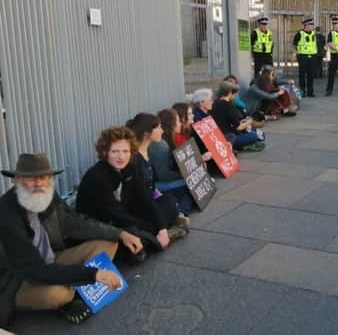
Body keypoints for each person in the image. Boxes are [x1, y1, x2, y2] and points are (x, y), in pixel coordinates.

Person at [0, 153, 143, 326]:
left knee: (108, 244)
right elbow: (35, 269)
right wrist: (93, 274)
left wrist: (120, 233)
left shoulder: (48, 195)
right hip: (19, 279)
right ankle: (73, 290)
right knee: (60, 294)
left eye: (44, 177)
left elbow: (74, 223)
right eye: (31, 179)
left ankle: (75, 284)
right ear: (18, 181)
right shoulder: (6, 213)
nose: (38, 184)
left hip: (52, 259)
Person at [76, 124, 187, 258]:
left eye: (125, 151)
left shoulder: (130, 168)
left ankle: (155, 238)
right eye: (115, 152)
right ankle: (157, 238)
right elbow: (117, 215)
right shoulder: (96, 177)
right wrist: (154, 227)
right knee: (131, 236)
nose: (121, 157)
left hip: (127, 215)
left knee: (169, 201)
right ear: (105, 153)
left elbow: (145, 198)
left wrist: (161, 228)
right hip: (106, 225)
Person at [150, 108, 202, 214]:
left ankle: (180, 211)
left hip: (162, 181)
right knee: (191, 185)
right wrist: (184, 175)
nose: (180, 124)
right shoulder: (160, 145)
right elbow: (163, 175)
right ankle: (180, 213)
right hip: (158, 185)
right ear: (172, 125)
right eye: (178, 121)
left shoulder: (168, 140)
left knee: (192, 188)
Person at [212, 81, 265, 151]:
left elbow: (226, 121)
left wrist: (242, 122)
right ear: (230, 92)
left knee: (252, 132)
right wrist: (250, 121)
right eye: (234, 93)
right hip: (228, 137)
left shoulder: (215, 102)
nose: (235, 96)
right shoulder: (228, 105)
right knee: (254, 135)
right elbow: (238, 127)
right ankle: (240, 146)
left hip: (219, 136)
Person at [293, 18, 317, 97]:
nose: (312, 26)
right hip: (303, 56)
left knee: (311, 74)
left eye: (312, 25)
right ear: (306, 25)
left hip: (312, 56)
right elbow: (295, 44)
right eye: (311, 25)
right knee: (302, 74)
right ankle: (302, 91)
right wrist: (295, 54)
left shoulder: (314, 33)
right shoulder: (300, 33)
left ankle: (310, 91)